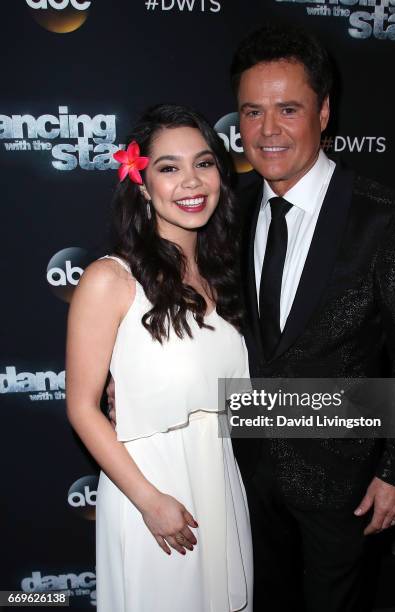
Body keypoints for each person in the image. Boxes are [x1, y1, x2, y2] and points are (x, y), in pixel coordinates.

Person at [229, 24, 395, 612]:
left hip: (344, 480)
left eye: (288, 109)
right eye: (252, 112)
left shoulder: (384, 218)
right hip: (243, 472)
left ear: (324, 113)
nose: (268, 130)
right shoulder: (232, 212)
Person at [66, 104, 253, 612]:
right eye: (168, 168)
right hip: (151, 491)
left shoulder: (227, 274)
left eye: (204, 163)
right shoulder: (110, 279)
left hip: (220, 479)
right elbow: (82, 408)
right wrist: (150, 502)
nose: (191, 181)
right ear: (142, 185)